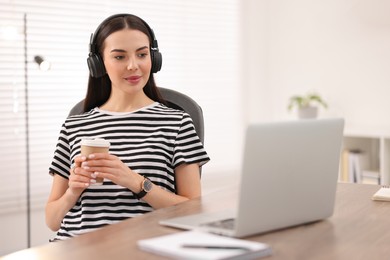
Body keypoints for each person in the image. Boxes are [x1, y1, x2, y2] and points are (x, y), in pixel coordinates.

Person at [45, 13, 210, 241]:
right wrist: (73, 191)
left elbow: (193, 210)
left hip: (139, 249)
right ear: (99, 62)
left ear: (154, 58)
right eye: (119, 57)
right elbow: (52, 221)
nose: (133, 66)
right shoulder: (74, 125)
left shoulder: (177, 123)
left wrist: (135, 182)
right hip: (73, 248)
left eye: (142, 54)